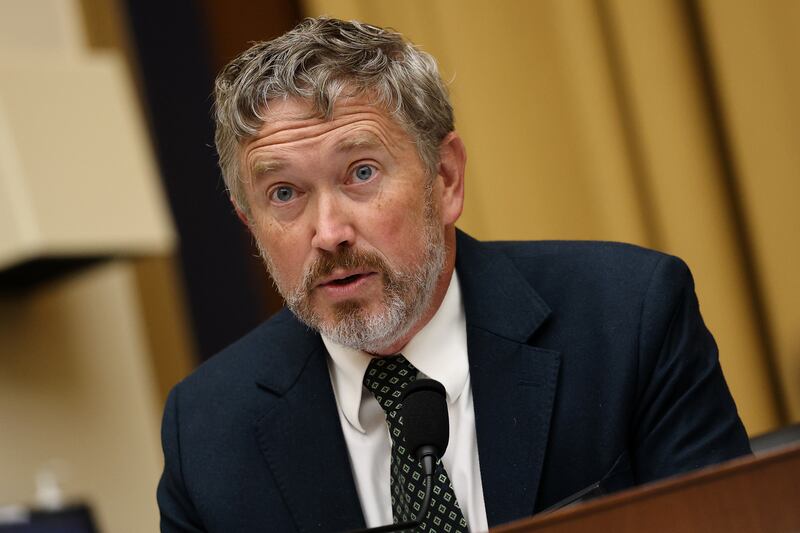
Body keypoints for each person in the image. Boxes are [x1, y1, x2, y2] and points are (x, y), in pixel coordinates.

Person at [157, 17, 751, 533]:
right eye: (283, 193)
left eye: (361, 173)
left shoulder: (627, 318)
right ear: (250, 222)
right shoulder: (208, 433)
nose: (329, 232)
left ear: (445, 179)